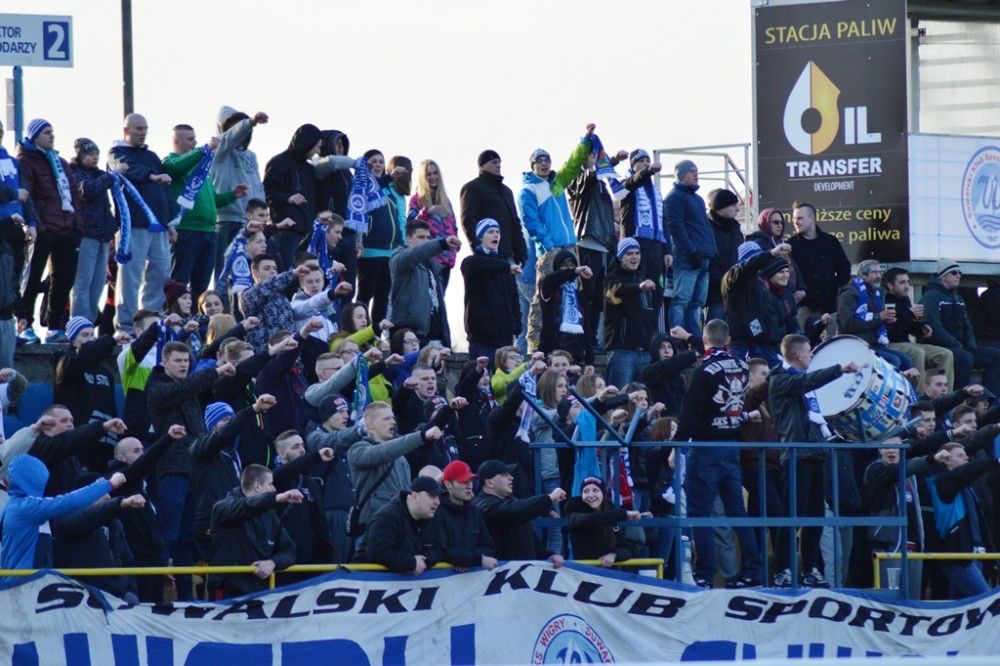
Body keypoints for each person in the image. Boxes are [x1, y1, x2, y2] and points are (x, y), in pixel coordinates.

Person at [674, 319, 763, 589]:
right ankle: (752, 571)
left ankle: (705, 573)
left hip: (706, 447)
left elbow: (690, 415)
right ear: (728, 340)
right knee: (737, 511)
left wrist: (675, 445)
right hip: (732, 447)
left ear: (705, 340)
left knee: (700, 512)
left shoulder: (704, 371)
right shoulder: (741, 366)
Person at [769, 333, 858, 588]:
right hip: (797, 452)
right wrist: (839, 369)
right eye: (809, 352)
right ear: (798, 354)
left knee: (815, 516)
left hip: (817, 450)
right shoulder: (780, 379)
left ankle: (810, 568)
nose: (811, 356)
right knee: (793, 515)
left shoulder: (800, 380)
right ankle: (783, 569)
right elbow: (806, 382)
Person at [519, 125, 594, 350]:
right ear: (532, 166)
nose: (544, 164)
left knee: (571, 295)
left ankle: (568, 340)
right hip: (550, 251)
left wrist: (586, 140)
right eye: (539, 161)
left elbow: (573, 163)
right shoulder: (528, 190)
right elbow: (531, 222)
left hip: (569, 247)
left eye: (547, 160)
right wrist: (549, 245)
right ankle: (535, 342)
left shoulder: (558, 183)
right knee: (543, 296)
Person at [163, 125, 247, 301]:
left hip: (208, 233)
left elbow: (213, 200)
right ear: (176, 141)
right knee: (179, 284)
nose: (195, 142)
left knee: (201, 286)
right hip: (186, 231)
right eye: (190, 139)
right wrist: (204, 150)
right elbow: (174, 169)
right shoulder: (170, 162)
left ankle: (197, 316)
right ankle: (175, 315)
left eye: (195, 138)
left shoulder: (200, 168)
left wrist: (232, 195)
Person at [16, 118, 81, 343]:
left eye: (52, 131)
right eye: (46, 132)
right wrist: (37, 225)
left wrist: (77, 226)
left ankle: (55, 327)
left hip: (67, 228)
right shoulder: (25, 161)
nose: (51, 136)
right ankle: (25, 325)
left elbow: (74, 195)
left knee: (63, 279)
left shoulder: (60, 161)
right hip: (43, 228)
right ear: (34, 136)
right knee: (32, 279)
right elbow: (26, 196)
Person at [1, 455, 125, 572]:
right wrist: (110, 484)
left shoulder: (15, 506)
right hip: (26, 581)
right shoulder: (27, 507)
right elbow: (70, 501)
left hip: (26, 580)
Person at [108, 113, 173, 333]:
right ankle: (126, 326)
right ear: (126, 130)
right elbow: (128, 171)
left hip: (158, 227)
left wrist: (169, 223)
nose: (143, 132)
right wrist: (152, 177)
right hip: (133, 226)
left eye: (145, 128)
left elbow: (164, 192)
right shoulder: (117, 154)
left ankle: (151, 323)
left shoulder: (152, 156)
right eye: (138, 128)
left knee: (158, 275)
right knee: (130, 278)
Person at [346, 401, 444, 540]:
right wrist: (422, 436)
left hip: (402, 529)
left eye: (393, 418)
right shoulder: (357, 450)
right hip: (372, 530)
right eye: (386, 418)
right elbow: (382, 452)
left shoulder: (401, 458)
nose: (393, 422)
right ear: (371, 424)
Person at [209, 464, 302, 598]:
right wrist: (275, 498)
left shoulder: (270, 516)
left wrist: (272, 562)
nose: (274, 489)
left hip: (260, 592)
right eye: (270, 484)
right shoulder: (224, 508)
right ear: (257, 486)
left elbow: (289, 549)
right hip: (228, 593)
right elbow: (245, 506)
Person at [52, 317, 131, 468]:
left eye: (92, 335)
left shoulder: (106, 373)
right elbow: (81, 359)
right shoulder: (63, 360)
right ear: (72, 339)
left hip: (105, 442)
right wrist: (111, 340)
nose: (89, 339)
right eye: (84, 335)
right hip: (78, 443)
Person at [569, 145, 626, 352]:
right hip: (587, 242)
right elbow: (590, 177)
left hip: (604, 245)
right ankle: (582, 340)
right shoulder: (577, 180)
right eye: (591, 155)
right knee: (585, 296)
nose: (595, 158)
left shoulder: (602, 183)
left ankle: (592, 340)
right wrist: (612, 160)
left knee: (599, 299)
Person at [927, 442, 1000, 599]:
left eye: (966, 455)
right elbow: (965, 472)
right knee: (987, 601)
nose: (966, 458)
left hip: (976, 555)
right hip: (959, 557)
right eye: (960, 455)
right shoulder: (943, 482)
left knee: (962, 606)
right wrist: (995, 462)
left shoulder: (968, 488)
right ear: (947, 460)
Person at [921, 259, 1000, 398]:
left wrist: (970, 345)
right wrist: (957, 345)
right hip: (941, 347)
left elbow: (968, 326)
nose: (958, 275)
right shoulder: (931, 297)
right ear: (943, 276)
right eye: (954, 272)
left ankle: (989, 399)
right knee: (965, 358)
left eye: (960, 273)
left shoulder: (958, 298)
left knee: (995, 355)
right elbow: (935, 328)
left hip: (962, 347)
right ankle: (958, 399)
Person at [470, 459, 566, 565]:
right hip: (499, 572)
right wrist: (549, 498)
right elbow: (513, 512)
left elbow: (529, 538)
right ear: (489, 483)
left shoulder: (512, 502)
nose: (511, 478)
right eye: (504, 475)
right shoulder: (483, 505)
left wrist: (547, 555)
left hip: (523, 571)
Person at [69, 138, 124, 321]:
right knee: (83, 282)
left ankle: (90, 322)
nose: (95, 157)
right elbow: (87, 191)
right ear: (80, 155)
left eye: (97, 154)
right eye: (90, 154)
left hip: (103, 237)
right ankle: (79, 322)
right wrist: (113, 175)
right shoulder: (75, 174)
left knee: (98, 282)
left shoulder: (99, 174)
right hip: (86, 235)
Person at [211, 107, 268, 281]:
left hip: (251, 223)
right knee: (226, 273)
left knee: (250, 274)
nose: (242, 132)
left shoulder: (251, 155)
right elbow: (230, 138)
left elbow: (257, 186)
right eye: (235, 127)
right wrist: (250, 122)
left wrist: (263, 216)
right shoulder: (219, 151)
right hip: (228, 222)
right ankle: (222, 300)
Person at [722, 241, 799, 365]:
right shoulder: (732, 278)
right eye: (756, 258)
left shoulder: (760, 283)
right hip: (743, 346)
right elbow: (747, 267)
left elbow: (770, 315)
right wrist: (772, 253)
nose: (760, 262)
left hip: (766, 347)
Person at [664, 159, 717, 336]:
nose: (696, 174)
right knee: (681, 300)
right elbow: (675, 227)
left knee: (697, 303)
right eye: (692, 171)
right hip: (687, 258)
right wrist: (690, 252)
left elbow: (705, 228)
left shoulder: (698, 199)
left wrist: (712, 251)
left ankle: (693, 339)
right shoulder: (674, 197)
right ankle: (678, 339)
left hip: (704, 257)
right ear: (681, 175)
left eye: (697, 171)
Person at [387, 219, 460, 346]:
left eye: (428, 237)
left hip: (436, 338)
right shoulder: (399, 259)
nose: (426, 241)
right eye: (421, 237)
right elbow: (415, 254)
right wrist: (442, 243)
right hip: (411, 334)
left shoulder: (434, 266)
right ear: (408, 238)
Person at [836, 259, 916, 374]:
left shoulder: (876, 293)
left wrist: (887, 321)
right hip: (856, 344)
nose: (878, 276)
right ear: (863, 275)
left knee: (906, 360)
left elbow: (876, 321)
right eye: (874, 272)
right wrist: (879, 317)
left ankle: (906, 386)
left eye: (880, 272)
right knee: (894, 360)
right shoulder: (850, 293)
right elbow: (848, 324)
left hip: (873, 343)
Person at [883, 267, 957, 390]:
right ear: (890, 285)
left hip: (906, 343)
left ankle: (944, 396)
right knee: (918, 352)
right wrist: (910, 314)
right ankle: (918, 396)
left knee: (946, 354)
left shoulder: (904, 299)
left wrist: (922, 328)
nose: (907, 286)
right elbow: (890, 332)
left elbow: (909, 326)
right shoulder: (885, 300)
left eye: (908, 282)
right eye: (902, 282)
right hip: (889, 344)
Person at [461, 218, 522, 363]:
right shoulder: (471, 263)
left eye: (497, 232)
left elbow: (514, 301)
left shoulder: (506, 268)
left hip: (505, 340)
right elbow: (480, 264)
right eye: (490, 232)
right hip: (482, 339)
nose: (495, 235)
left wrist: (516, 328)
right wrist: (507, 267)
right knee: (480, 376)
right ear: (480, 237)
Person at [619, 149, 670, 325]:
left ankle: (653, 332)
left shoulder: (656, 191)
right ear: (633, 165)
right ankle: (637, 330)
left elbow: (663, 221)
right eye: (640, 161)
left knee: (657, 293)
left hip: (656, 249)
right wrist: (647, 171)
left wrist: (667, 250)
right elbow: (629, 184)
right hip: (635, 248)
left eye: (647, 161)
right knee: (638, 292)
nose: (645, 164)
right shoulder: (627, 186)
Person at [264, 123, 323, 269]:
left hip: (306, 233)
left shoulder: (309, 169)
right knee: (286, 273)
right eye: (316, 147)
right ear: (307, 143)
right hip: (285, 232)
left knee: (304, 276)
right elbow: (266, 192)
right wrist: (288, 198)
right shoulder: (278, 163)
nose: (318, 152)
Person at [604, 238, 659, 388]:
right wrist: (639, 287)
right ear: (620, 257)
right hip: (622, 353)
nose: (634, 257)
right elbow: (614, 295)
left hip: (646, 353)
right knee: (619, 398)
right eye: (629, 253)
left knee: (643, 399)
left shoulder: (642, 279)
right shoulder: (611, 279)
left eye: (637, 253)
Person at [363, 475, 446, 573]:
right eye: (432, 496)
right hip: (368, 578)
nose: (438, 502)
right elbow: (376, 552)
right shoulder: (387, 516)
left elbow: (440, 548)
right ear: (415, 497)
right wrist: (411, 562)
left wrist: (425, 560)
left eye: (438, 497)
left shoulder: (433, 517)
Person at [0, 118, 34, 357]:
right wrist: (12, 194)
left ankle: (16, 323)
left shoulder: (13, 162)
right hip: (2, 226)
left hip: (16, 227)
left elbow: (26, 196)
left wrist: (32, 223)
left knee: (14, 276)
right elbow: (18, 193)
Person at [459, 150, 527, 267]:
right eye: (494, 162)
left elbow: (515, 223)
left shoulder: (507, 191)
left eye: (499, 162)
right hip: (489, 256)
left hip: (509, 255)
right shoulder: (472, 188)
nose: (498, 165)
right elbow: (469, 220)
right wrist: (478, 249)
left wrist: (522, 253)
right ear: (482, 166)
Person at [788, 202, 851, 328]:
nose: (796, 222)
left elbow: (844, 268)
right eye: (794, 219)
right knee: (804, 339)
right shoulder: (791, 245)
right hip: (805, 307)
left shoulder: (830, 242)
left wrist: (836, 292)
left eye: (800, 218)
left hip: (831, 306)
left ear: (812, 219)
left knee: (832, 339)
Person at [565, 476, 642, 567]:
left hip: (607, 573)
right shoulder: (574, 509)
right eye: (586, 491)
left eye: (595, 490)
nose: (590, 495)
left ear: (603, 494)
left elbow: (626, 548)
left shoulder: (609, 513)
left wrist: (614, 554)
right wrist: (624, 514)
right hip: (584, 571)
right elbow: (589, 519)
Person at [436, 460, 498, 571]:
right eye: (463, 482)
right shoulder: (437, 512)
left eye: (470, 481)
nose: (469, 486)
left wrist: (468, 559)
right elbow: (441, 550)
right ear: (448, 484)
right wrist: (472, 559)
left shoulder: (475, 512)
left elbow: (489, 547)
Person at [408, 159, 458, 290]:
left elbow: (454, 226)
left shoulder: (445, 201)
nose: (433, 177)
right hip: (430, 257)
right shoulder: (417, 199)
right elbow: (410, 223)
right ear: (423, 177)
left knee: (441, 296)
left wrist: (455, 248)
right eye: (428, 174)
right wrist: (426, 213)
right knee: (430, 295)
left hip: (447, 258)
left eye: (435, 173)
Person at [705, 188, 744, 323]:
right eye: (733, 205)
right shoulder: (707, 228)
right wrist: (723, 280)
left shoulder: (735, 228)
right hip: (716, 292)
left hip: (736, 291)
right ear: (721, 207)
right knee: (715, 329)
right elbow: (711, 260)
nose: (737, 209)